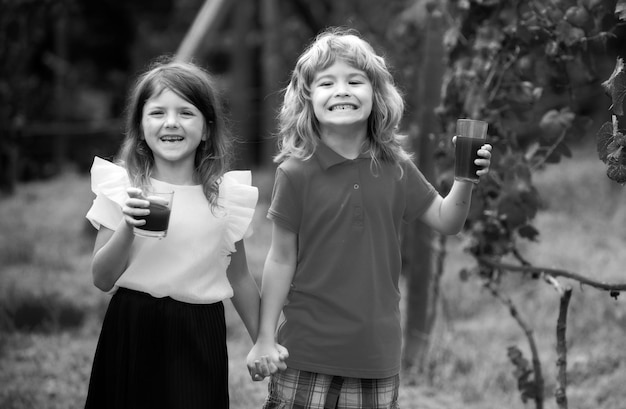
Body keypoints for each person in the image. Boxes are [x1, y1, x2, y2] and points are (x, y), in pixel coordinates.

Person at [246, 28, 492, 409]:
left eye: (355, 80)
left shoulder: (396, 169)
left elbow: (448, 220)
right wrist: (265, 337)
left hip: (376, 358)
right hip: (305, 352)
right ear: (307, 100)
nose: (342, 90)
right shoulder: (295, 173)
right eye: (327, 82)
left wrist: (465, 179)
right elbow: (280, 258)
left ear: (376, 96)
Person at [84, 57, 276, 409]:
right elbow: (101, 278)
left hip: (199, 330)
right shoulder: (122, 187)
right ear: (140, 126)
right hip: (132, 325)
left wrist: (264, 340)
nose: (171, 122)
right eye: (157, 112)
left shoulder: (225, 197)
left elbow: (241, 279)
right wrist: (128, 225)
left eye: (186, 112)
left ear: (206, 129)